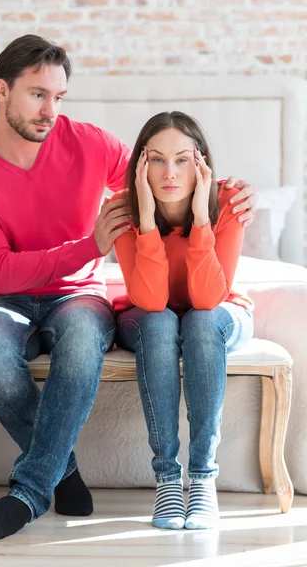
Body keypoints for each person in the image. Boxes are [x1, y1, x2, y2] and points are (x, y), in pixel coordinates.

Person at [0, 34, 257, 540]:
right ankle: (58, 472)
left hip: (77, 296)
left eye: (59, 97)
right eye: (37, 94)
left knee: (85, 342)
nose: (50, 110)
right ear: (1, 90)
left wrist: (226, 193)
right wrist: (89, 246)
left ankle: (27, 493)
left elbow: (158, 175)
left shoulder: (88, 143)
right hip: (4, 295)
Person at [113, 111, 254, 531]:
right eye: (156, 159)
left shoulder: (229, 200)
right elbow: (152, 300)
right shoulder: (121, 209)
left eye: (182, 159)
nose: (169, 172)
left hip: (219, 314)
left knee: (199, 322)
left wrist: (202, 217)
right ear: (140, 164)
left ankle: (203, 480)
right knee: (159, 324)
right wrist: (144, 216)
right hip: (147, 315)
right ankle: (168, 481)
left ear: (201, 162)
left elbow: (210, 298)